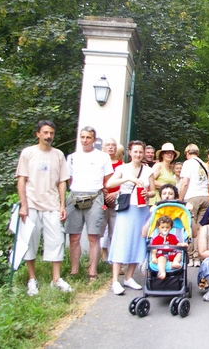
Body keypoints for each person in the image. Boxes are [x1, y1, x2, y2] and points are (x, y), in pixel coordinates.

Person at [16, 120, 71, 296]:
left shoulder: (58, 155)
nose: (48, 136)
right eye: (45, 133)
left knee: (57, 241)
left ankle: (56, 279)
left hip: (52, 205)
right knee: (30, 242)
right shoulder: (28, 153)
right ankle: (32, 280)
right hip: (31, 204)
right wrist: (23, 205)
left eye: (51, 133)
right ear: (38, 134)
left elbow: (62, 181)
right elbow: (21, 180)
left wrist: (62, 205)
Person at [105, 140, 156, 295]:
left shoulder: (148, 171)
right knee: (122, 240)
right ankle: (115, 280)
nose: (138, 155)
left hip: (142, 209)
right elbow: (109, 183)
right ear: (130, 152)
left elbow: (153, 191)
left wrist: (147, 194)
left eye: (140, 152)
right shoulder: (123, 168)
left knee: (138, 241)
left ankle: (129, 277)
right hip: (126, 209)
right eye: (135, 152)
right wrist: (127, 179)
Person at [65, 126, 113, 281]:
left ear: (94, 139)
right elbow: (69, 179)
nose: (85, 140)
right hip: (75, 196)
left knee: (94, 236)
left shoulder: (103, 157)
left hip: (95, 197)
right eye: (82, 137)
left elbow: (108, 178)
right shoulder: (72, 157)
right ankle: (74, 271)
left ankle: (92, 271)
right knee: (74, 236)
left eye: (88, 137)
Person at [178, 143, 209, 267]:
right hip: (205, 196)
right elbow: (208, 185)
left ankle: (192, 256)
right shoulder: (204, 165)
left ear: (187, 153)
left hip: (192, 197)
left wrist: (180, 200)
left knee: (190, 226)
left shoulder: (188, 163)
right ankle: (199, 256)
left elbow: (185, 183)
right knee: (200, 228)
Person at [100, 138, 123, 261]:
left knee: (114, 230)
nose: (110, 147)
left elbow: (126, 185)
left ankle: (114, 258)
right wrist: (102, 192)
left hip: (117, 199)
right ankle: (101, 256)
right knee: (100, 230)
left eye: (113, 145)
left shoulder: (121, 165)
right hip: (101, 199)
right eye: (107, 145)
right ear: (103, 148)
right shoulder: (98, 162)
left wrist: (115, 194)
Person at [150, 215, 186, 279]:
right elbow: (154, 250)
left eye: (167, 227)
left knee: (179, 253)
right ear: (158, 228)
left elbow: (177, 244)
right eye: (162, 227)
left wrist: (182, 244)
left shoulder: (173, 237)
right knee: (161, 259)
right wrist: (153, 257)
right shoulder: (156, 239)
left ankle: (175, 262)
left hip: (172, 253)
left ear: (171, 228)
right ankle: (162, 272)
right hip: (161, 254)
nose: (165, 229)